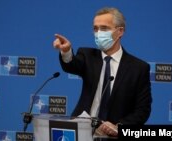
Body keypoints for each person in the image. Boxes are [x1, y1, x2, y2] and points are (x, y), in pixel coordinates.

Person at [53, 7, 152, 137]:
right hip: (81, 132)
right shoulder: (87, 55)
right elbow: (72, 65)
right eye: (95, 28)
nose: (99, 33)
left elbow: (142, 110)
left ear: (120, 31)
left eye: (104, 28)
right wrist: (66, 51)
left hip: (112, 135)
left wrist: (119, 127)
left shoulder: (138, 68)